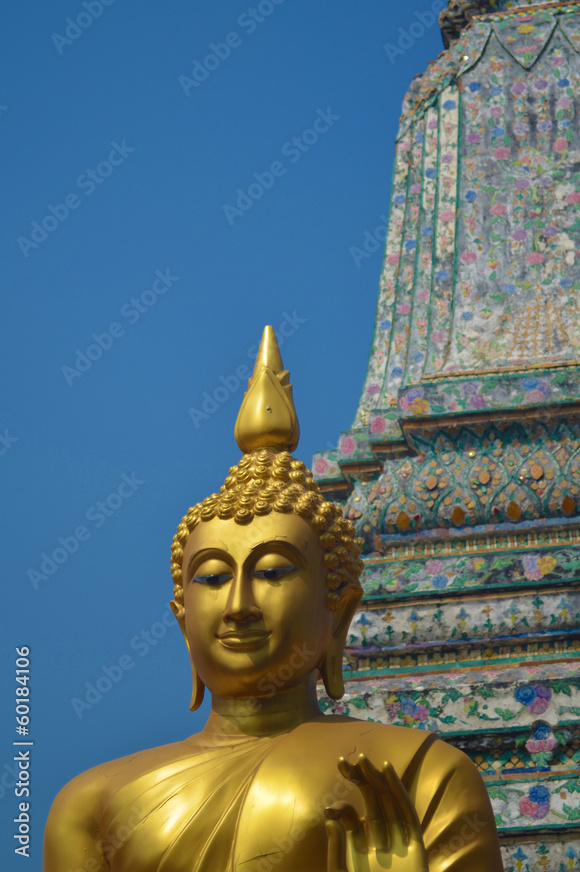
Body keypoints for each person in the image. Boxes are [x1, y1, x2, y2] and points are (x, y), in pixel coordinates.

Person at [44, 328, 504, 872]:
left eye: (274, 571)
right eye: (212, 579)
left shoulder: (418, 775)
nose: (239, 604)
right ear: (181, 617)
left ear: (340, 612)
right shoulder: (93, 803)